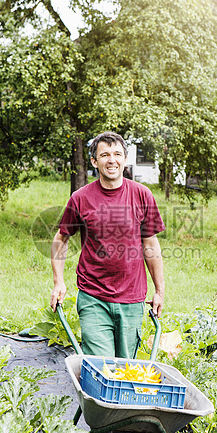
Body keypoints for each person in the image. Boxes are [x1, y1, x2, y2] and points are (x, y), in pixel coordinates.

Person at [50, 131, 165, 360]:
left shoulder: (142, 195)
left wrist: (159, 290)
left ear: (124, 159)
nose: (111, 160)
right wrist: (58, 282)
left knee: (125, 367)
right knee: (102, 365)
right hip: (93, 296)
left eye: (117, 154)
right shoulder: (81, 198)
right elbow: (60, 239)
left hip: (132, 298)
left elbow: (150, 245)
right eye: (104, 155)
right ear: (94, 161)